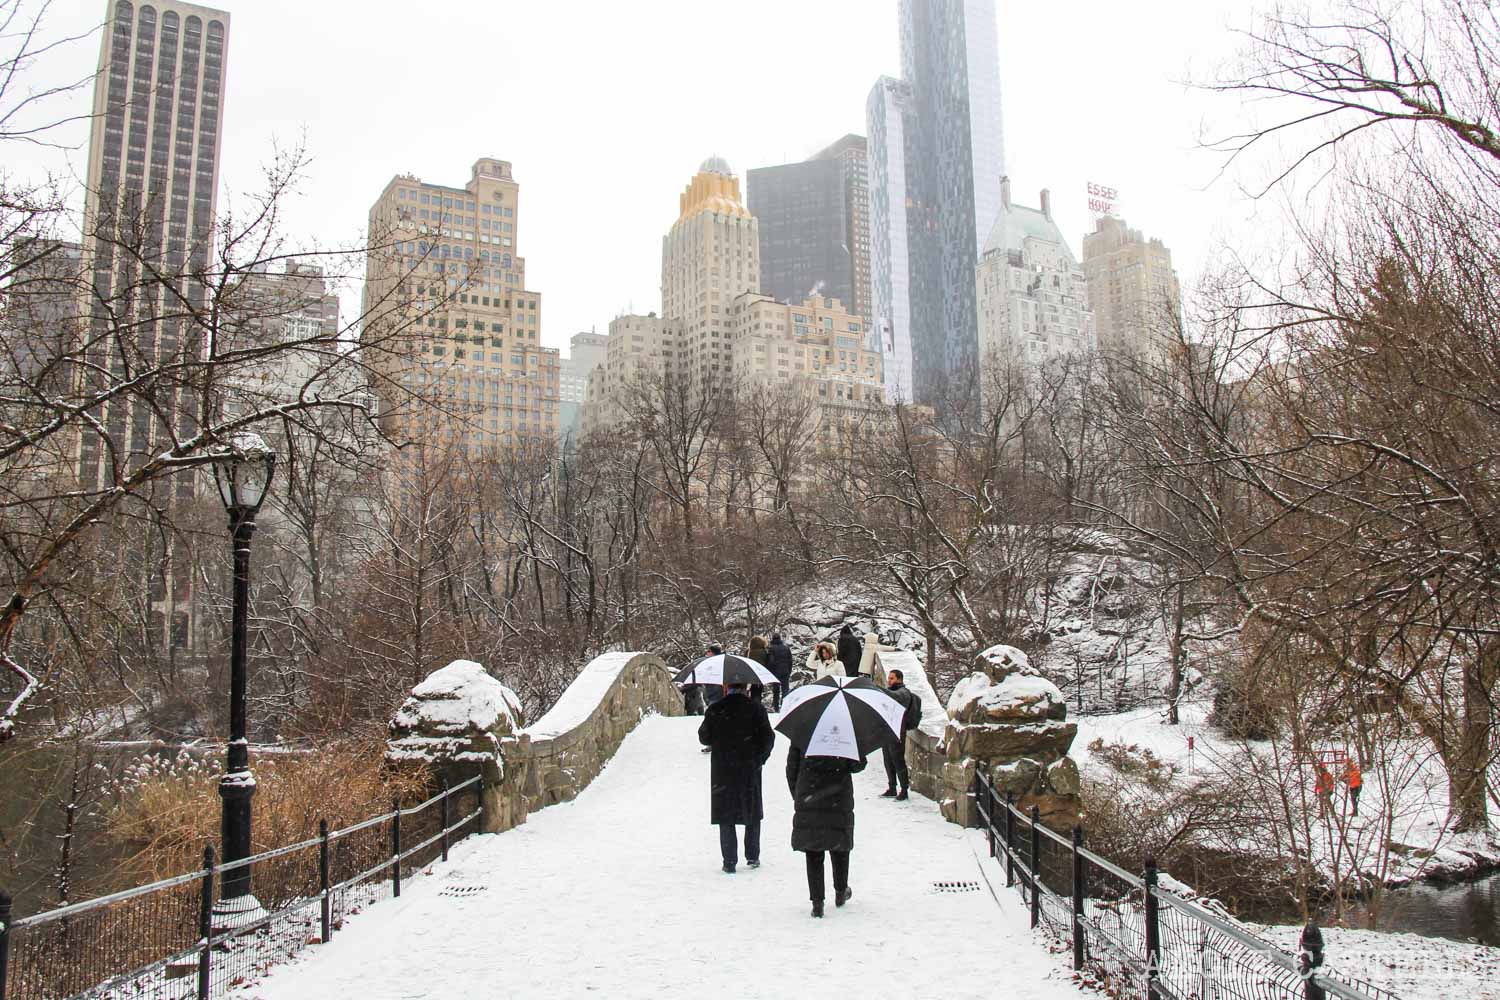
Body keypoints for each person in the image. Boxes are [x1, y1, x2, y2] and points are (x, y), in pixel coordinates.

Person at [698, 681, 776, 874]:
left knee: (726, 814)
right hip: (749, 767)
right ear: (746, 689)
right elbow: (768, 738)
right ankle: (753, 855)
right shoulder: (756, 709)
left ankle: (729, 860)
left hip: (723, 768)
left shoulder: (716, 708)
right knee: (752, 810)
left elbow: (704, 737)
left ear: (727, 688)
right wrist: (760, 759)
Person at [787, 745, 864, 917]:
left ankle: (817, 902)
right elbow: (857, 765)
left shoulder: (804, 728)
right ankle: (840, 890)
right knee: (839, 845)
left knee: (813, 850)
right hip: (838, 795)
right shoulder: (845, 734)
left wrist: (799, 794)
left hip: (810, 795)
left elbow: (791, 768)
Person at [880, 668, 923, 801]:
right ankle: (892, 787)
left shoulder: (903, 693)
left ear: (899, 679)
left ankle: (904, 790)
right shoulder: (893, 691)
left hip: (898, 731)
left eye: (891, 678)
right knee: (888, 760)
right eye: (888, 678)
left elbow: (895, 698)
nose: (889, 680)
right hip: (887, 730)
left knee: (898, 760)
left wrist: (877, 689)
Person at [699, 645, 726, 752]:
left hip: (718, 694)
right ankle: (715, 742)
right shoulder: (711, 662)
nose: (707, 652)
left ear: (713, 652)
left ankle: (713, 743)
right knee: (715, 719)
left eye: (709, 651)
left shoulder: (718, 663)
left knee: (713, 719)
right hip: (713, 694)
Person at [766, 633, 794, 710]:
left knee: (776, 690)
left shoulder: (771, 648)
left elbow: (771, 662)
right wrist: (789, 671)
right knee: (785, 689)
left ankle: (776, 707)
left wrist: (770, 671)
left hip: (775, 672)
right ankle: (784, 706)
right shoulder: (786, 647)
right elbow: (790, 661)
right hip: (785, 671)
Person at [746, 635, 770, 705]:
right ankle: (757, 705)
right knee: (758, 691)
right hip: (761, 673)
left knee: (753, 689)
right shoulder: (763, 652)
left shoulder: (749, 651)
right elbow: (767, 661)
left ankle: (752, 704)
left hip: (751, 673)